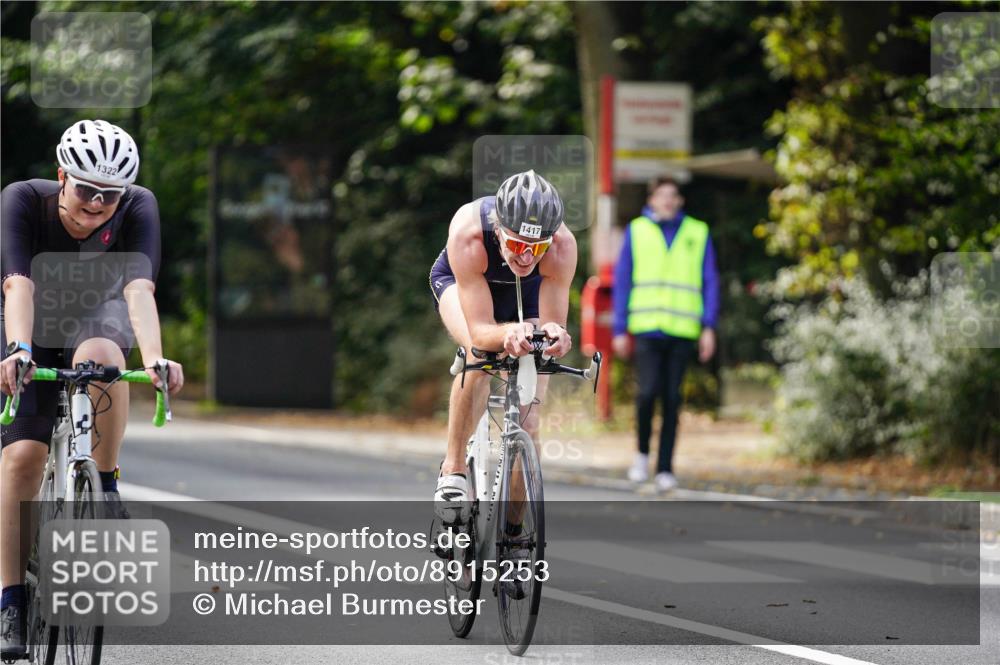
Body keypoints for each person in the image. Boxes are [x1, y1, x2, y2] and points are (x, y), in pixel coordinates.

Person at [0, 120, 184, 659]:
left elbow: (139, 289)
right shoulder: (22, 202)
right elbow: (17, 285)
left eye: (110, 194)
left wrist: (153, 359)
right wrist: (18, 351)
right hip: (28, 320)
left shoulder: (137, 206)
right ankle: (10, 598)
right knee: (22, 460)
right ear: (62, 177)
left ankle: (103, 480)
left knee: (104, 359)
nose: (98, 204)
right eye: (86, 190)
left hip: (93, 319)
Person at [429, 170, 576, 524]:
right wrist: (503, 336)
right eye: (516, 245)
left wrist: (557, 337)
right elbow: (481, 331)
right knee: (481, 357)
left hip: (527, 295)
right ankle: (453, 469)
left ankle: (513, 534)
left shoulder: (561, 246)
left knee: (532, 420)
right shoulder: (469, 232)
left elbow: (553, 321)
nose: (526, 257)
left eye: (536, 248)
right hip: (465, 284)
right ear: (498, 230)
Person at [611, 176, 720, 491]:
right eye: (662, 196)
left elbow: (710, 280)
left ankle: (665, 467)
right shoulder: (637, 230)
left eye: (673, 196)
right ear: (652, 200)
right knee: (646, 395)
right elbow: (623, 280)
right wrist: (619, 328)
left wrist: (708, 327)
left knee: (672, 399)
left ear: (680, 201)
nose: (668, 201)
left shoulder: (697, 232)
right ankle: (642, 455)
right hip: (646, 328)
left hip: (683, 330)